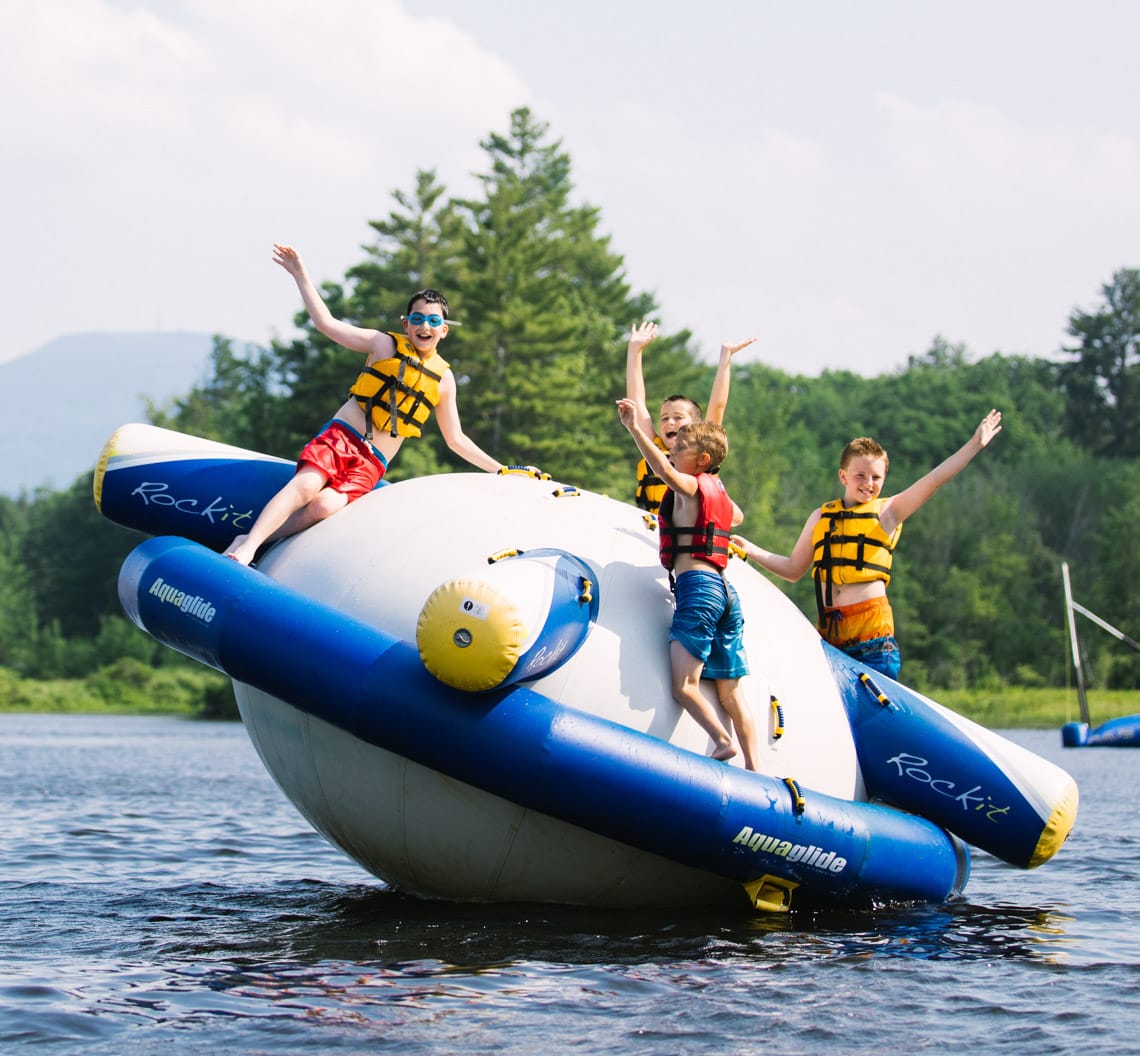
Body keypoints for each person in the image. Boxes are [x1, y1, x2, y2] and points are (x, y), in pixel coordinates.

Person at [224, 244, 506, 565]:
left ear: (444, 329)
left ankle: (253, 538)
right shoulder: (383, 344)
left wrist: (501, 470)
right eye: (417, 318)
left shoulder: (444, 379)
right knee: (305, 488)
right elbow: (326, 324)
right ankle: (247, 548)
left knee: (323, 507)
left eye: (432, 320)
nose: (423, 326)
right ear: (406, 324)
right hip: (343, 437)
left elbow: (456, 440)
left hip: (373, 463)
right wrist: (301, 275)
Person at [731, 409, 1004, 680]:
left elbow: (934, 480)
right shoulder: (821, 517)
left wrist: (974, 445)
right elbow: (792, 569)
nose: (868, 484)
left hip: (873, 645)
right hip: (831, 644)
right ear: (843, 476)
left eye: (876, 477)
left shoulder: (890, 511)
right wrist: (752, 549)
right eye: (860, 475)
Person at [616, 397, 761, 770]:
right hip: (727, 593)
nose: (673, 449)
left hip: (698, 589)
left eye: (681, 448)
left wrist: (635, 427)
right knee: (730, 691)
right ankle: (756, 768)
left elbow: (663, 471)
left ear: (701, 462)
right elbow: (737, 516)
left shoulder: (691, 486)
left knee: (684, 685)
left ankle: (721, 739)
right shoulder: (717, 491)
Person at [625, 321, 756, 514]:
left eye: (678, 417)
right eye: (664, 418)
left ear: (695, 425)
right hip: (652, 531)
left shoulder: (702, 448)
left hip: (684, 538)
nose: (669, 422)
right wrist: (634, 350)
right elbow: (637, 401)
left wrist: (725, 357)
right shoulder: (654, 448)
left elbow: (718, 405)